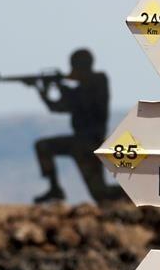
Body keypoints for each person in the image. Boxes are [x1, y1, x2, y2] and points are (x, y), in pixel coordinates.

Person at [32, 48, 117, 204]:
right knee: (100, 193)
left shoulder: (98, 82)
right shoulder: (84, 87)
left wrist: (60, 85)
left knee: (101, 195)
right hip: (81, 143)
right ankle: (54, 189)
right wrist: (43, 92)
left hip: (89, 144)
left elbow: (78, 99)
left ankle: (137, 196)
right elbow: (58, 107)